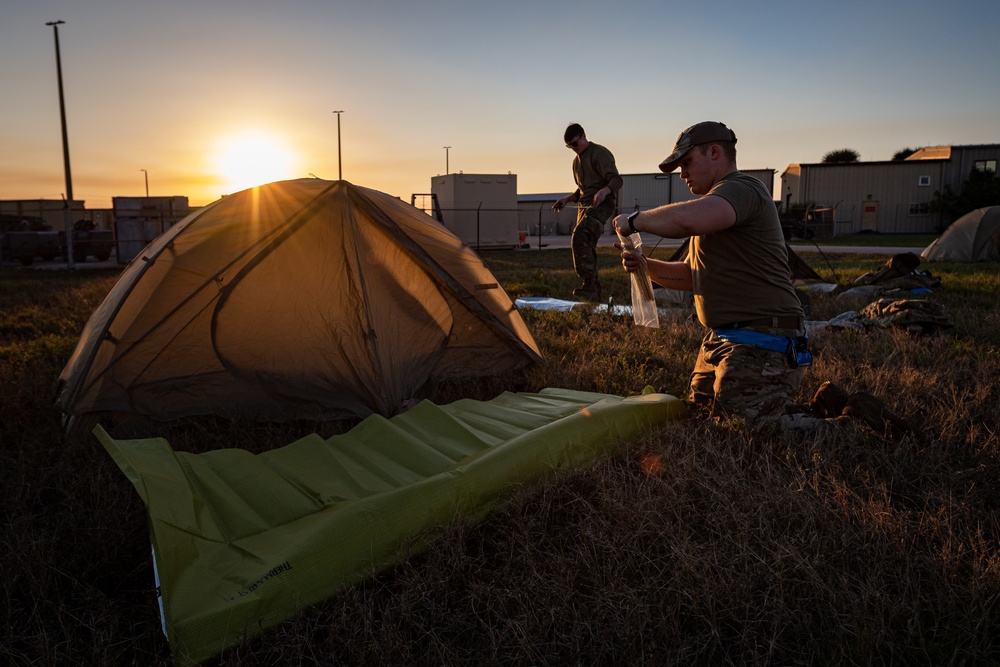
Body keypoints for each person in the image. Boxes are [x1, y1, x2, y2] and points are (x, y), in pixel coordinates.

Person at [612, 121, 918, 439]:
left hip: (761, 336)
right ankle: (822, 407)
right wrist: (645, 266)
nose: (683, 174)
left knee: (742, 431)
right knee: (704, 416)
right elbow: (693, 276)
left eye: (686, 163)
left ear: (714, 152)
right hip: (724, 339)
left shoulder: (740, 189)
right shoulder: (715, 208)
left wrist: (634, 220)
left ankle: (862, 427)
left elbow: (684, 219)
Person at [554, 123, 622, 302]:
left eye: (575, 144)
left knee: (581, 235)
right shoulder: (576, 162)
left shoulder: (600, 153)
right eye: (570, 146)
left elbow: (616, 180)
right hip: (584, 207)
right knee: (586, 244)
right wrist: (567, 199)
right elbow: (581, 190)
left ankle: (590, 285)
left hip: (602, 204)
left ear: (584, 136)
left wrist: (604, 191)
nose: (573, 149)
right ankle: (593, 289)